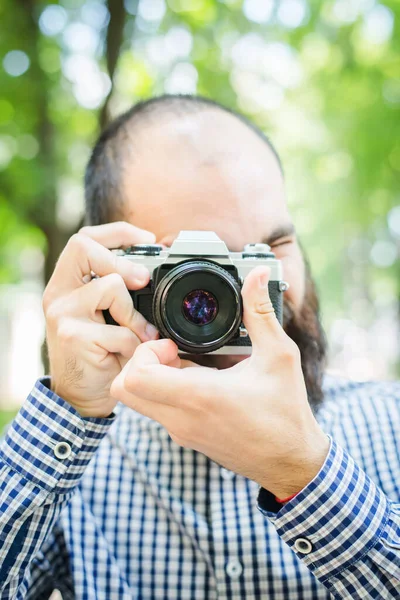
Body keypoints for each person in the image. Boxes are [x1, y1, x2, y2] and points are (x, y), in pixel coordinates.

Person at [1, 95, 399, 600]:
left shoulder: (392, 423)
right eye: (199, 273)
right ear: (116, 274)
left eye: (270, 249)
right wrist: (70, 409)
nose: (252, 292)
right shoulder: (73, 473)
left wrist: (307, 475)